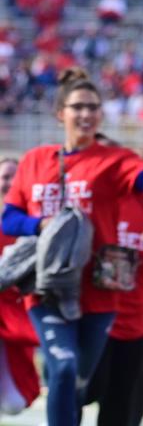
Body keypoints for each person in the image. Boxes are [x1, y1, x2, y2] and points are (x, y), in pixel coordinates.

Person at [0, 68, 143, 426]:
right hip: (49, 286)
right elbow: (8, 219)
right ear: (61, 113)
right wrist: (40, 225)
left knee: (77, 381)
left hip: (99, 292)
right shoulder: (35, 160)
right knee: (64, 366)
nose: (86, 114)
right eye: (77, 107)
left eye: (93, 107)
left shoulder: (113, 160)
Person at [85, 191, 143, 426]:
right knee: (79, 391)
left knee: (122, 407)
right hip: (90, 316)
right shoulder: (94, 197)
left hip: (137, 323)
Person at [0, 157, 40, 416]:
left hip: (17, 311)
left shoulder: (30, 223)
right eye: (5, 176)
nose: (9, 182)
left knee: (13, 402)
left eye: (15, 177)